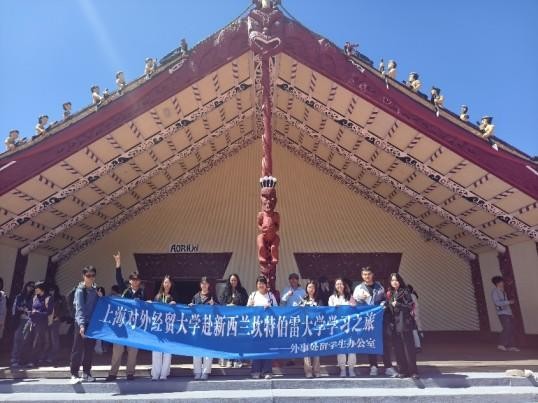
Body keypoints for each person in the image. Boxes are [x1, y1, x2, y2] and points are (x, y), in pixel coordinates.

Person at [106, 251, 146, 381]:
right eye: (133, 279)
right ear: (130, 281)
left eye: (137, 280)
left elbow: (146, 308)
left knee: (133, 352)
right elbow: (118, 278)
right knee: (117, 351)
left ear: (139, 281)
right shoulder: (125, 290)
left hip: (135, 327)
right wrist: (118, 263)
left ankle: (130, 373)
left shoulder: (142, 293)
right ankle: (113, 374)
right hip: (122, 325)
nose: (135, 281)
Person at [353, 266, 398, 377]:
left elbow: (385, 300)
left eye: (368, 274)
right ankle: (373, 366)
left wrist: (383, 304)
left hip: (380, 320)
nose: (367, 276)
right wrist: (361, 300)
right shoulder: (358, 288)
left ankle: (388, 367)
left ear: (372, 274)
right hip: (367, 321)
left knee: (384, 343)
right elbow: (354, 305)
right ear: (362, 275)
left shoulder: (379, 287)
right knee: (371, 342)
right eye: (364, 274)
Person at [69, 266, 100, 384]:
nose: (90, 278)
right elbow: (79, 309)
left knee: (89, 349)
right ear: (83, 276)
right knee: (77, 348)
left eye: (92, 275)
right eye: (88, 275)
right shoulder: (80, 291)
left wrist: (100, 297)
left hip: (92, 323)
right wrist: (81, 325)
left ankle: (86, 373)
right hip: (81, 323)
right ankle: (74, 373)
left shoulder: (95, 290)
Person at [387, 273, 419, 379]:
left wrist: (398, 304)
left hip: (405, 323)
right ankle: (402, 371)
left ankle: (413, 372)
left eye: (396, 280)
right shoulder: (390, 293)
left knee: (409, 348)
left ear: (400, 281)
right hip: (394, 325)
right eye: (392, 280)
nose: (394, 282)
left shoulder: (405, 292)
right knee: (398, 349)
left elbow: (410, 306)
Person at [247, 275, 278, 379]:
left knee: (267, 348)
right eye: (259, 283)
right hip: (256, 326)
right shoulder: (253, 295)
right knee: (256, 349)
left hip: (268, 327)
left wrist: (270, 307)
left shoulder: (270, 296)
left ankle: (267, 371)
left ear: (266, 285)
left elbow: (277, 309)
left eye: (262, 283)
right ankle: (255, 371)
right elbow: (247, 310)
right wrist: (250, 306)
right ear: (256, 285)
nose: (261, 285)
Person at [190, 276, 218, 380]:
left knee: (208, 349)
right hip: (197, 325)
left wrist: (214, 304)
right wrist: (191, 306)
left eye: (206, 283)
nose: (204, 285)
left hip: (208, 325)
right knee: (196, 349)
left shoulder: (212, 296)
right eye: (203, 283)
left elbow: (220, 308)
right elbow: (191, 308)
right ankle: (197, 371)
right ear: (200, 285)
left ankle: (206, 372)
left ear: (209, 285)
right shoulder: (196, 296)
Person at [328, 278, 357, 377]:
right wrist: (334, 308)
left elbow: (354, 309)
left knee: (351, 348)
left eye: (341, 284)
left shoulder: (350, 296)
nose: (339, 286)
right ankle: (343, 369)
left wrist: (351, 305)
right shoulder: (332, 298)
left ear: (344, 285)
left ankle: (351, 369)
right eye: (337, 284)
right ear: (335, 286)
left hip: (350, 326)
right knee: (341, 348)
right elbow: (329, 312)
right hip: (338, 326)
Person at [219, 273, 248, 368]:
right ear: (229, 281)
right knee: (228, 340)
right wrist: (227, 306)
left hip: (238, 320)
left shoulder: (242, 291)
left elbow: (246, 303)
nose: (233, 282)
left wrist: (236, 306)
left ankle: (237, 360)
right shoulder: (225, 291)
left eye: (235, 280)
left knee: (238, 340)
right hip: (227, 320)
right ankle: (228, 359)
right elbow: (221, 303)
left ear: (238, 281)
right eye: (232, 280)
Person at [151, 275, 176, 381]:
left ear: (171, 284)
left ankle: (164, 373)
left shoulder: (174, 296)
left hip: (169, 326)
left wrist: (175, 305)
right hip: (158, 326)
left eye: (168, 282)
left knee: (167, 351)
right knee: (156, 350)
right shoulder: (157, 296)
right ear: (162, 283)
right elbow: (153, 309)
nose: (167, 284)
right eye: (165, 282)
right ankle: (155, 373)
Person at [24, 281, 53, 368]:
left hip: (41, 323)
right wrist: (29, 312)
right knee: (27, 340)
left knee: (37, 342)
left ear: (42, 289)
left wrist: (38, 313)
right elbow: (31, 308)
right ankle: (26, 360)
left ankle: (33, 361)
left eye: (37, 288)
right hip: (32, 322)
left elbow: (49, 312)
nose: (35, 290)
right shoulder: (35, 297)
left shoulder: (48, 298)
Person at [299, 280, 323, 378]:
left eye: (313, 287)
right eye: (309, 287)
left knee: (316, 350)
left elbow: (322, 312)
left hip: (316, 328)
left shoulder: (319, 300)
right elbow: (299, 313)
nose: (311, 289)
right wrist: (301, 307)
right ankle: (308, 371)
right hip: (306, 328)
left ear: (315, 289)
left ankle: (317, 371)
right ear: (306, 289)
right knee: (306, 351)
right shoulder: (303, 300)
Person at [491, 276, 519, 352]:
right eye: (501, 281)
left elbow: (506, 304)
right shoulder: (495, 291)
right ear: (497, 283)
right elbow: (497, 303)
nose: (503, 283)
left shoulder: (503, 291)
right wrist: (508, 302)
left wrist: (511, 313)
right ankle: (501, 344)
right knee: (507, 328)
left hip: (507, 313)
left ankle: (511, 346)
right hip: (502, 313)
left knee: (511, 328)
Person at [10, 281, 35, 368]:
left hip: (28, 320)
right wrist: (21, 310)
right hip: (19, 320)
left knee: (26, 341)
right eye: (29, 286)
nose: (30, 288)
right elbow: (15, 308)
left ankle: (23, 359)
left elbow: (33, 309)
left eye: (33, 287)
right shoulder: (19, 296)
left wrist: (27, 311)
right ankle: (14, 359)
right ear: (26, 286)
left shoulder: (33, 297)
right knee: (17, 339)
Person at [46, 284, 68, 365]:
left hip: (55, 320)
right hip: (45, 320)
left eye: (53, 290)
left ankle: (52, 357)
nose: (51, 291)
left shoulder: (61, 298)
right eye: (50, 290)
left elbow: (65, 309)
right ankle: (44, 356)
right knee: (46, 339)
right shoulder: (46, 297)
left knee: (54, 339)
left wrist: (58, 316)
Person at [407, 284, 423, 353]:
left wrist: (412, 313)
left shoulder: (411, 296)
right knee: (416, 330)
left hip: (412, 316)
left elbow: (414, 306)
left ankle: (418, 346)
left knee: (414, 331)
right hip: (413, 315)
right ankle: (417, 345)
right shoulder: (412, 295)